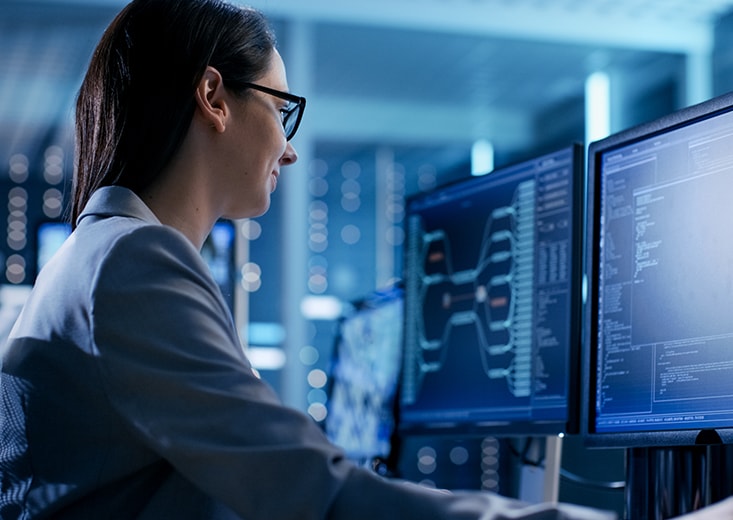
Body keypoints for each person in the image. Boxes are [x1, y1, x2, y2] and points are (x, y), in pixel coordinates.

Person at [0, 0, 731, 518]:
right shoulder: (133, 264)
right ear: (214, 96)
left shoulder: (103, 257)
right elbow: (310, 492)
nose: (287, 147)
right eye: (281, 109)